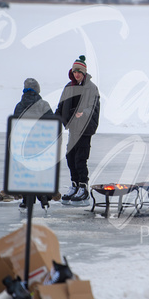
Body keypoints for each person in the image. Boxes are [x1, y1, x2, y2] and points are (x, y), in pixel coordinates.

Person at [55, 56, 100, 205]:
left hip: (85, 127)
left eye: (79, 72)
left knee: (81, 158)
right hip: (73, 128)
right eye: (75, 72)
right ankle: (75, 185)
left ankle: (83, 188)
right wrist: (55, 119)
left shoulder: (91, 87)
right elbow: (61, 106)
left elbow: (93, 106)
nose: (77, 74)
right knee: (70, 157)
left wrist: (84, 113)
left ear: (84, 72)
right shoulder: (69, 87)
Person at [13, 78, 55, 209]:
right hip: (40, 146)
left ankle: (26, 201)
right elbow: (52, 126)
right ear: (38, 90)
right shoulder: (43, 105)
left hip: (24, 147)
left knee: (26, 172)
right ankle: (44, 199)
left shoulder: (19, 105)